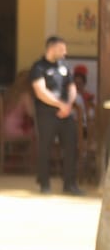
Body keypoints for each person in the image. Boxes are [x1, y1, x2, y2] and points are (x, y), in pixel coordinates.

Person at [29, 36, 79, 195]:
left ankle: (70, 184)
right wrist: (59, 104)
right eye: (61, 49)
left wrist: (69, 104)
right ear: (51, 48)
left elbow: (72, 87)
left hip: (66, 113)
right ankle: (44, 183)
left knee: (71, 146)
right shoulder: (38, 67)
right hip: (47, 113)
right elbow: (40, 91)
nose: (65, 52)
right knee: (45, 147)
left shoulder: (65, 66)